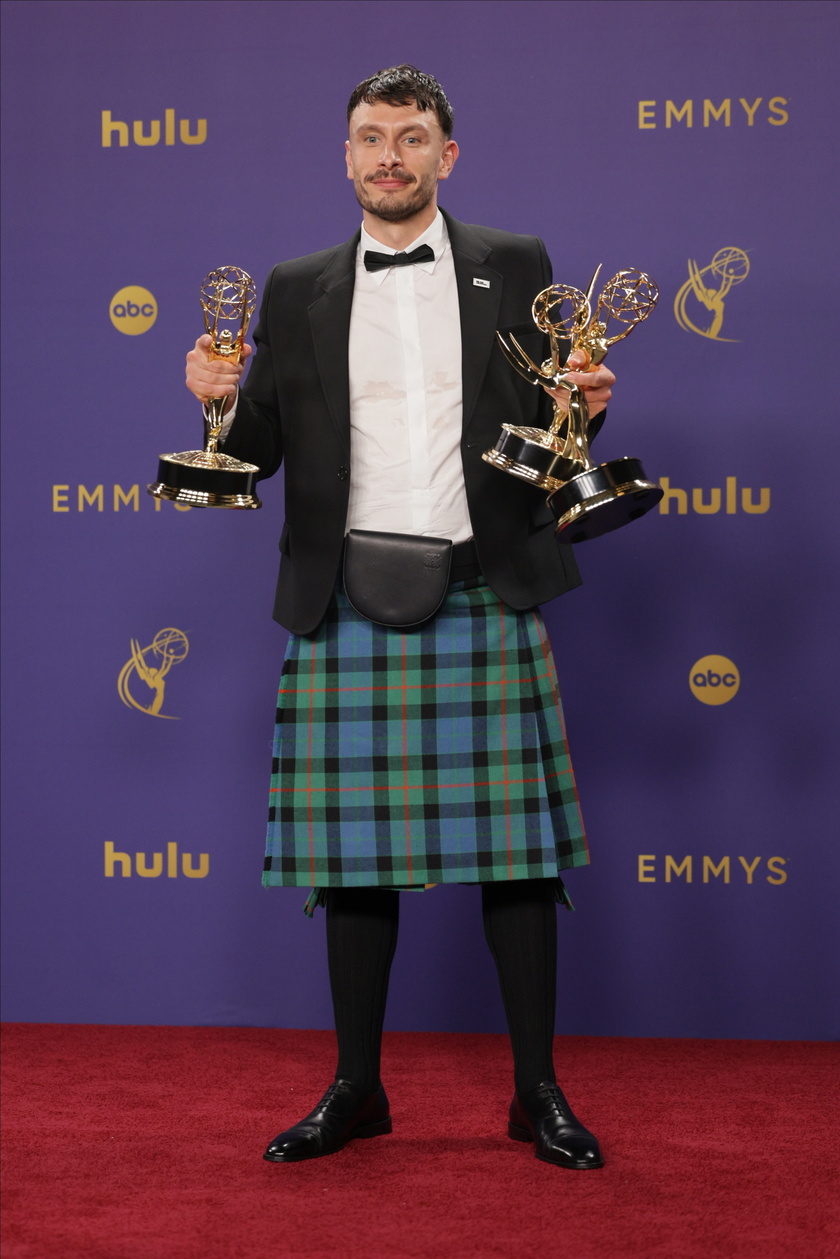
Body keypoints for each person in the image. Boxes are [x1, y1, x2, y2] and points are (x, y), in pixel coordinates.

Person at [185, 65, 615, 1170]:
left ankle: (536, 1094)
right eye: (371, 137)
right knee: (353, 860)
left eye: (411, 137)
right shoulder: (294, 287)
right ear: (345, 157)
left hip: (486, 582)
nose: (390, 154)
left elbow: (544, 411)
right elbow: (260, 451)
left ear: (445, 155)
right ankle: (357, 1089)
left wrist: (584, 403)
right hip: (345, 601)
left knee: (518, 859)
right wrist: (215, 406)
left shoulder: (514, 264)